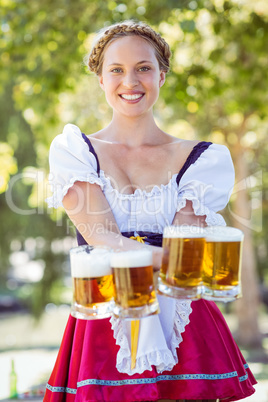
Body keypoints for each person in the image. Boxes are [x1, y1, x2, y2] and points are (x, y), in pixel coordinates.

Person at [44, 20, 256, 402]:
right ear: (100, 80)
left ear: (161, 74)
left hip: (183, 321)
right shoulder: (74, 151)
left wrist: (186, 260)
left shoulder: (202, 159)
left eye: (143, 68)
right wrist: (178, 260)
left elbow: (186, 240)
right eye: (117, 70)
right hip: (108, 316)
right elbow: (101, 237)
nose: (131, 81)